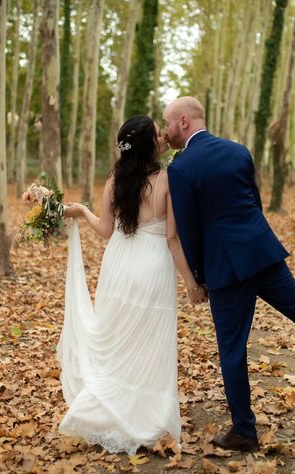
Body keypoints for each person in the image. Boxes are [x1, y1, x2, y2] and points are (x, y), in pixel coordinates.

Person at [163, 97, 295, 453]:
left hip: (226, 269)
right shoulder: (239, 151)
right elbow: (254, 202)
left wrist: (199, 277)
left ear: (184, 121)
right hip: (263, 253)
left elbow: (188, 229)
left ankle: (244, 431)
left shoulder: (181, 168)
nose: (166, 129)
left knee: (232, 348)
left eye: (168, 122)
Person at [56, 115, 206, 455]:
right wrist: (191, 283)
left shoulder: (115, 179)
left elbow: (107, 230)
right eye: (158, 133)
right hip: (152, 266)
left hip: (119, 264)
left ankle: (104, 409)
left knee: (119, 339)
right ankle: (145, 417)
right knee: (150, 344)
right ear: (148, 144)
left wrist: (82, 211)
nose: (163, 136)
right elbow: (172, 237)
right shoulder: (169, 178)